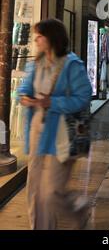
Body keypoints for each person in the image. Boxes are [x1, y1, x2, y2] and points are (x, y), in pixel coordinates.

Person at [18, 18, 92, 230]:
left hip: (60, 135)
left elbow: (84, 96)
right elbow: (24, 89)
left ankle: (77, 207)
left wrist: (54, 102)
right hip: (37, 132)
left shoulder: (71, 64)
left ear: (52, 38)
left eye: (40, 36)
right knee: (34, 189)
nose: (36, 40)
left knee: (50, 192)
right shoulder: (36, 64)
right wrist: (24, 96)